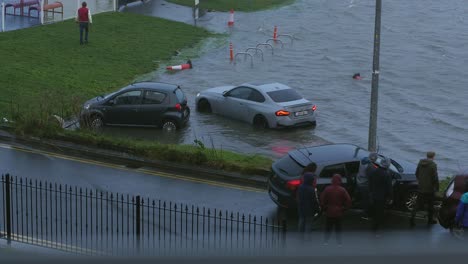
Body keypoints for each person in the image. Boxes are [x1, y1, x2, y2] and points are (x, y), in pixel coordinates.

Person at [320, 174, 351, 245]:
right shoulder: (342, 190)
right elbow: (348, 200)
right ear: (340, 180)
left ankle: (326, 241)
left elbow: (322, 199)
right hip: (338, 212)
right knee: (338, 228)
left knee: (328, 227)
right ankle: (339, 242)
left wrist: (324, 207)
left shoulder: (327, 189)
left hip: (329, 211)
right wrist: (345, 208)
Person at [410, 151, 439, 226]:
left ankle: (412, 218)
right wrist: (436, 188)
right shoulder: (433, 165)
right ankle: (430, 220)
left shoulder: (420, 163)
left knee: (417, 205)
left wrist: (421, 182)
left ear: (427, 156)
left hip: (421, 187)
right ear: (433, 157)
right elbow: (435, 178)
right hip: (429, 189)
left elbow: (416, 173)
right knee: (430, 205)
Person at [368, 157, 393, 236]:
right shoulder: (387, 174)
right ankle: (376, 227)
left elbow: (370, 183)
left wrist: (371, 192)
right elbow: (389, 187)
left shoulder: (374, 171)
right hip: (382, 197)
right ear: (387, 164)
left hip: (374, 194)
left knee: (374, 210)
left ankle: (373, 225)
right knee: (380, 212)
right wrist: (391, 197)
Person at [356, 152, 378, 220]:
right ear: (373, 159)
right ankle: (366, 215)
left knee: (364, 198)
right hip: (364, 184)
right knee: (367, 200)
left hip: (359, 181)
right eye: (376, 159)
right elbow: (372, 177)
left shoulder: (362, 160)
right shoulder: (370, 166)